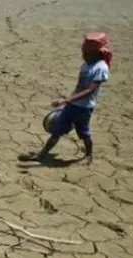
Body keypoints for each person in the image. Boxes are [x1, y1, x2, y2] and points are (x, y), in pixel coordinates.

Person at [29, 32, 111, 164]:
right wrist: (69, 102)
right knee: (57, 131)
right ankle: (42, 154)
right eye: (83, 53)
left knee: (84, 133)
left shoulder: (101, 68)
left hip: (84, 108)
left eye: (87, 54)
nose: (84, 56)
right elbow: (79, 86)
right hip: (72, 105)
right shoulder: (86, 65)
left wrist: (67, 100)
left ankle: (89, 155)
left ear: (97, 53)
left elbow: (90, 90)